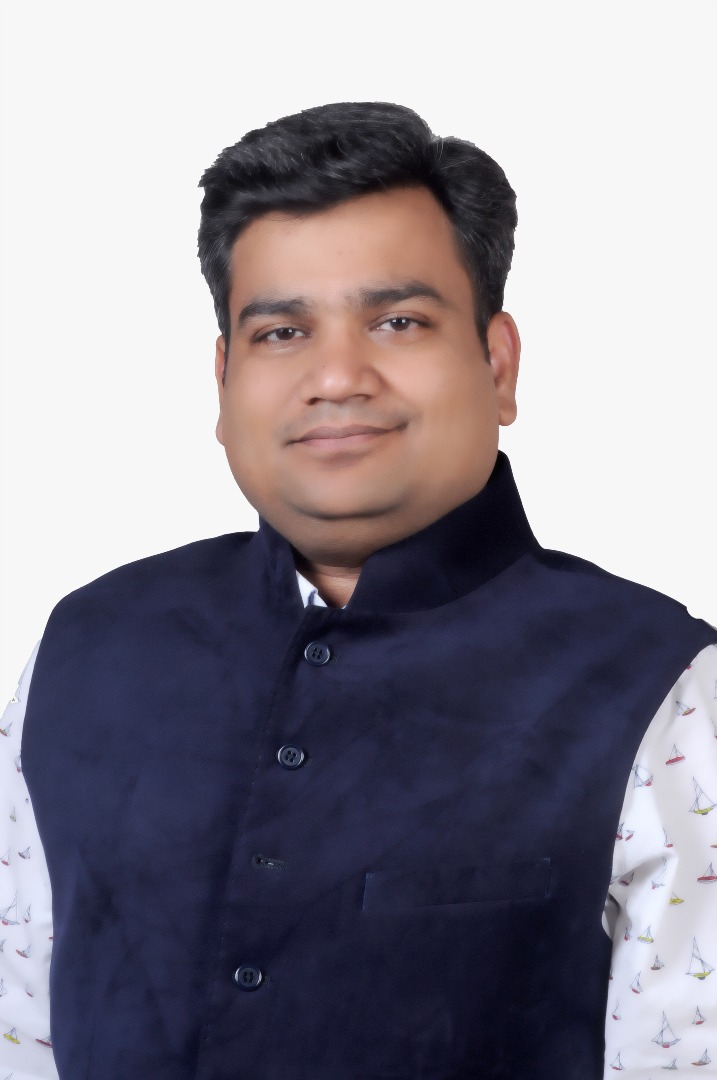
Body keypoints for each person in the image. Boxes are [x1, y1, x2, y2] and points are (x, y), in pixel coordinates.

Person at [1, 101, 715, 1080]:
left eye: (398, 321)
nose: (336, 376)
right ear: (223, 379)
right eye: (281, 331)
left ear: (497, 363)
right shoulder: (87, 648)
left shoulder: (660, 685)